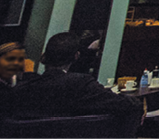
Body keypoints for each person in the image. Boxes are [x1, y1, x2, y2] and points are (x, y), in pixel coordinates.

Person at [13, 32, 142, 134]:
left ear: (44, 56)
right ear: (76, 56)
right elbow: (126, 105)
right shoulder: (81, 84)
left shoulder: (21, 89)